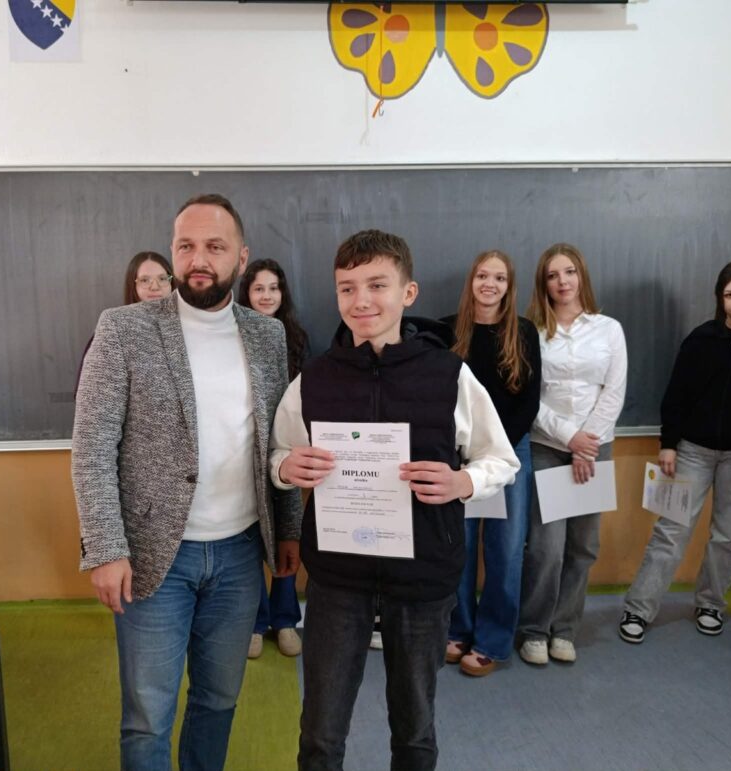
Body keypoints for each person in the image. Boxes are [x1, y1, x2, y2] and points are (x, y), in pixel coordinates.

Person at [270, 229, 519, 771]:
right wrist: (286, 468)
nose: (361, 300)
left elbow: (501, 459)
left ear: (408, 293)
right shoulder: (314, 379)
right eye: (347, 288)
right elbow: (280, 452)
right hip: (338, 577)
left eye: (377, 285)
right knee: (320, 734)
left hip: (422, 577)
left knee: (414, 730)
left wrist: (463, 483)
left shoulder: (449, 375)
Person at [72, 194, 302, 771]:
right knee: (148, 715)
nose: (199, 259)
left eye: (215, 247)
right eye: (186, 246)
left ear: (241, 258)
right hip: (154, 559)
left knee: (217, 700)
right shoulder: (123, 329)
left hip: (240, 554)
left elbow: (279, 440)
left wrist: (289, 529)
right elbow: (93, 447)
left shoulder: (267, 336)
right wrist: (105, 548)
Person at [619, 260, 731, 643]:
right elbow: (676, 396)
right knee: (671, 531)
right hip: (691, 452)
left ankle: (710, 604)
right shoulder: (701, 339)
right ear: (720, 299)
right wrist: (668, 444)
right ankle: (638, 609)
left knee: (728, 535)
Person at [518, 243, 627, 666]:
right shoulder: (531, 331)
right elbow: (529, 395)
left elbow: (613, 391)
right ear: (543, 283)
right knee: (546, 548)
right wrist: (571, 438)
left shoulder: (608, 329)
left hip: (596, 449)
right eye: (552, 275)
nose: (562, 281)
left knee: (584, 546)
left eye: (569, 272)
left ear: (581, 276)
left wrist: (588, 443)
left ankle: (564, 630)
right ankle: (534, 630)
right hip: (548, 446)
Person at [442, 250, 541, 677]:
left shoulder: (524, 331)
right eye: (483, 275)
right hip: (459, 456)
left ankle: (493, 641)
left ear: (509, 286)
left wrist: (497, 451)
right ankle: (458, 629)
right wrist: (464, 451)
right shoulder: (447, 330)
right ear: (472, 281)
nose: (489, 284)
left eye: (499, 278)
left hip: (509, 454)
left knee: (506, 550)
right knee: (458, 548)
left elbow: (529, 401)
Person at [238, 258, 310, 658]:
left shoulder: (296, 337)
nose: (266, 296)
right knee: (250, 539)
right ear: (246, 293)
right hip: (245, 454)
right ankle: (254, 621)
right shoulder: (234, 335)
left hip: (289, 452)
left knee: (288, 531)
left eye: (273, 288)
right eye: (258, 288)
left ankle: (284, 619)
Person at [74, 251, 174, 392]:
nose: (155, 286)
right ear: (133, 285)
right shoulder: (114, 330)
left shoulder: (186, 328)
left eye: (162, 278)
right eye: (145, 280)